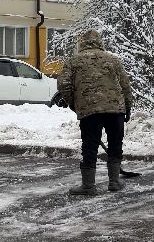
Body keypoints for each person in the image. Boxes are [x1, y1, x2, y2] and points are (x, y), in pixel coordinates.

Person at [56, 29, 133, 195]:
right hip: (115, 109)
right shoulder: (113, 59)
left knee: (90, 146)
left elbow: (63, 84)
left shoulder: (74, 61)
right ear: (100, 42)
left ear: (82, 43)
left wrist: (74, 103)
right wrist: (128, 107)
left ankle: (88, 186)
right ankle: (114, 182)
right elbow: (125, 85)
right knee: (115, 144)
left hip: (89, 110)